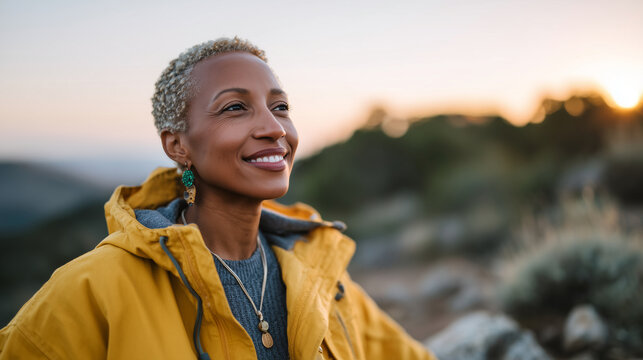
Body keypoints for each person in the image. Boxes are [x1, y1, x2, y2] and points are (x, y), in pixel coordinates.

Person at [0, 37, 436, 359]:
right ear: (178, 146)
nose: (275, 128)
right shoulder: (92, 288)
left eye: (280, 107)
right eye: (235, 108)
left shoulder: (321, 274)